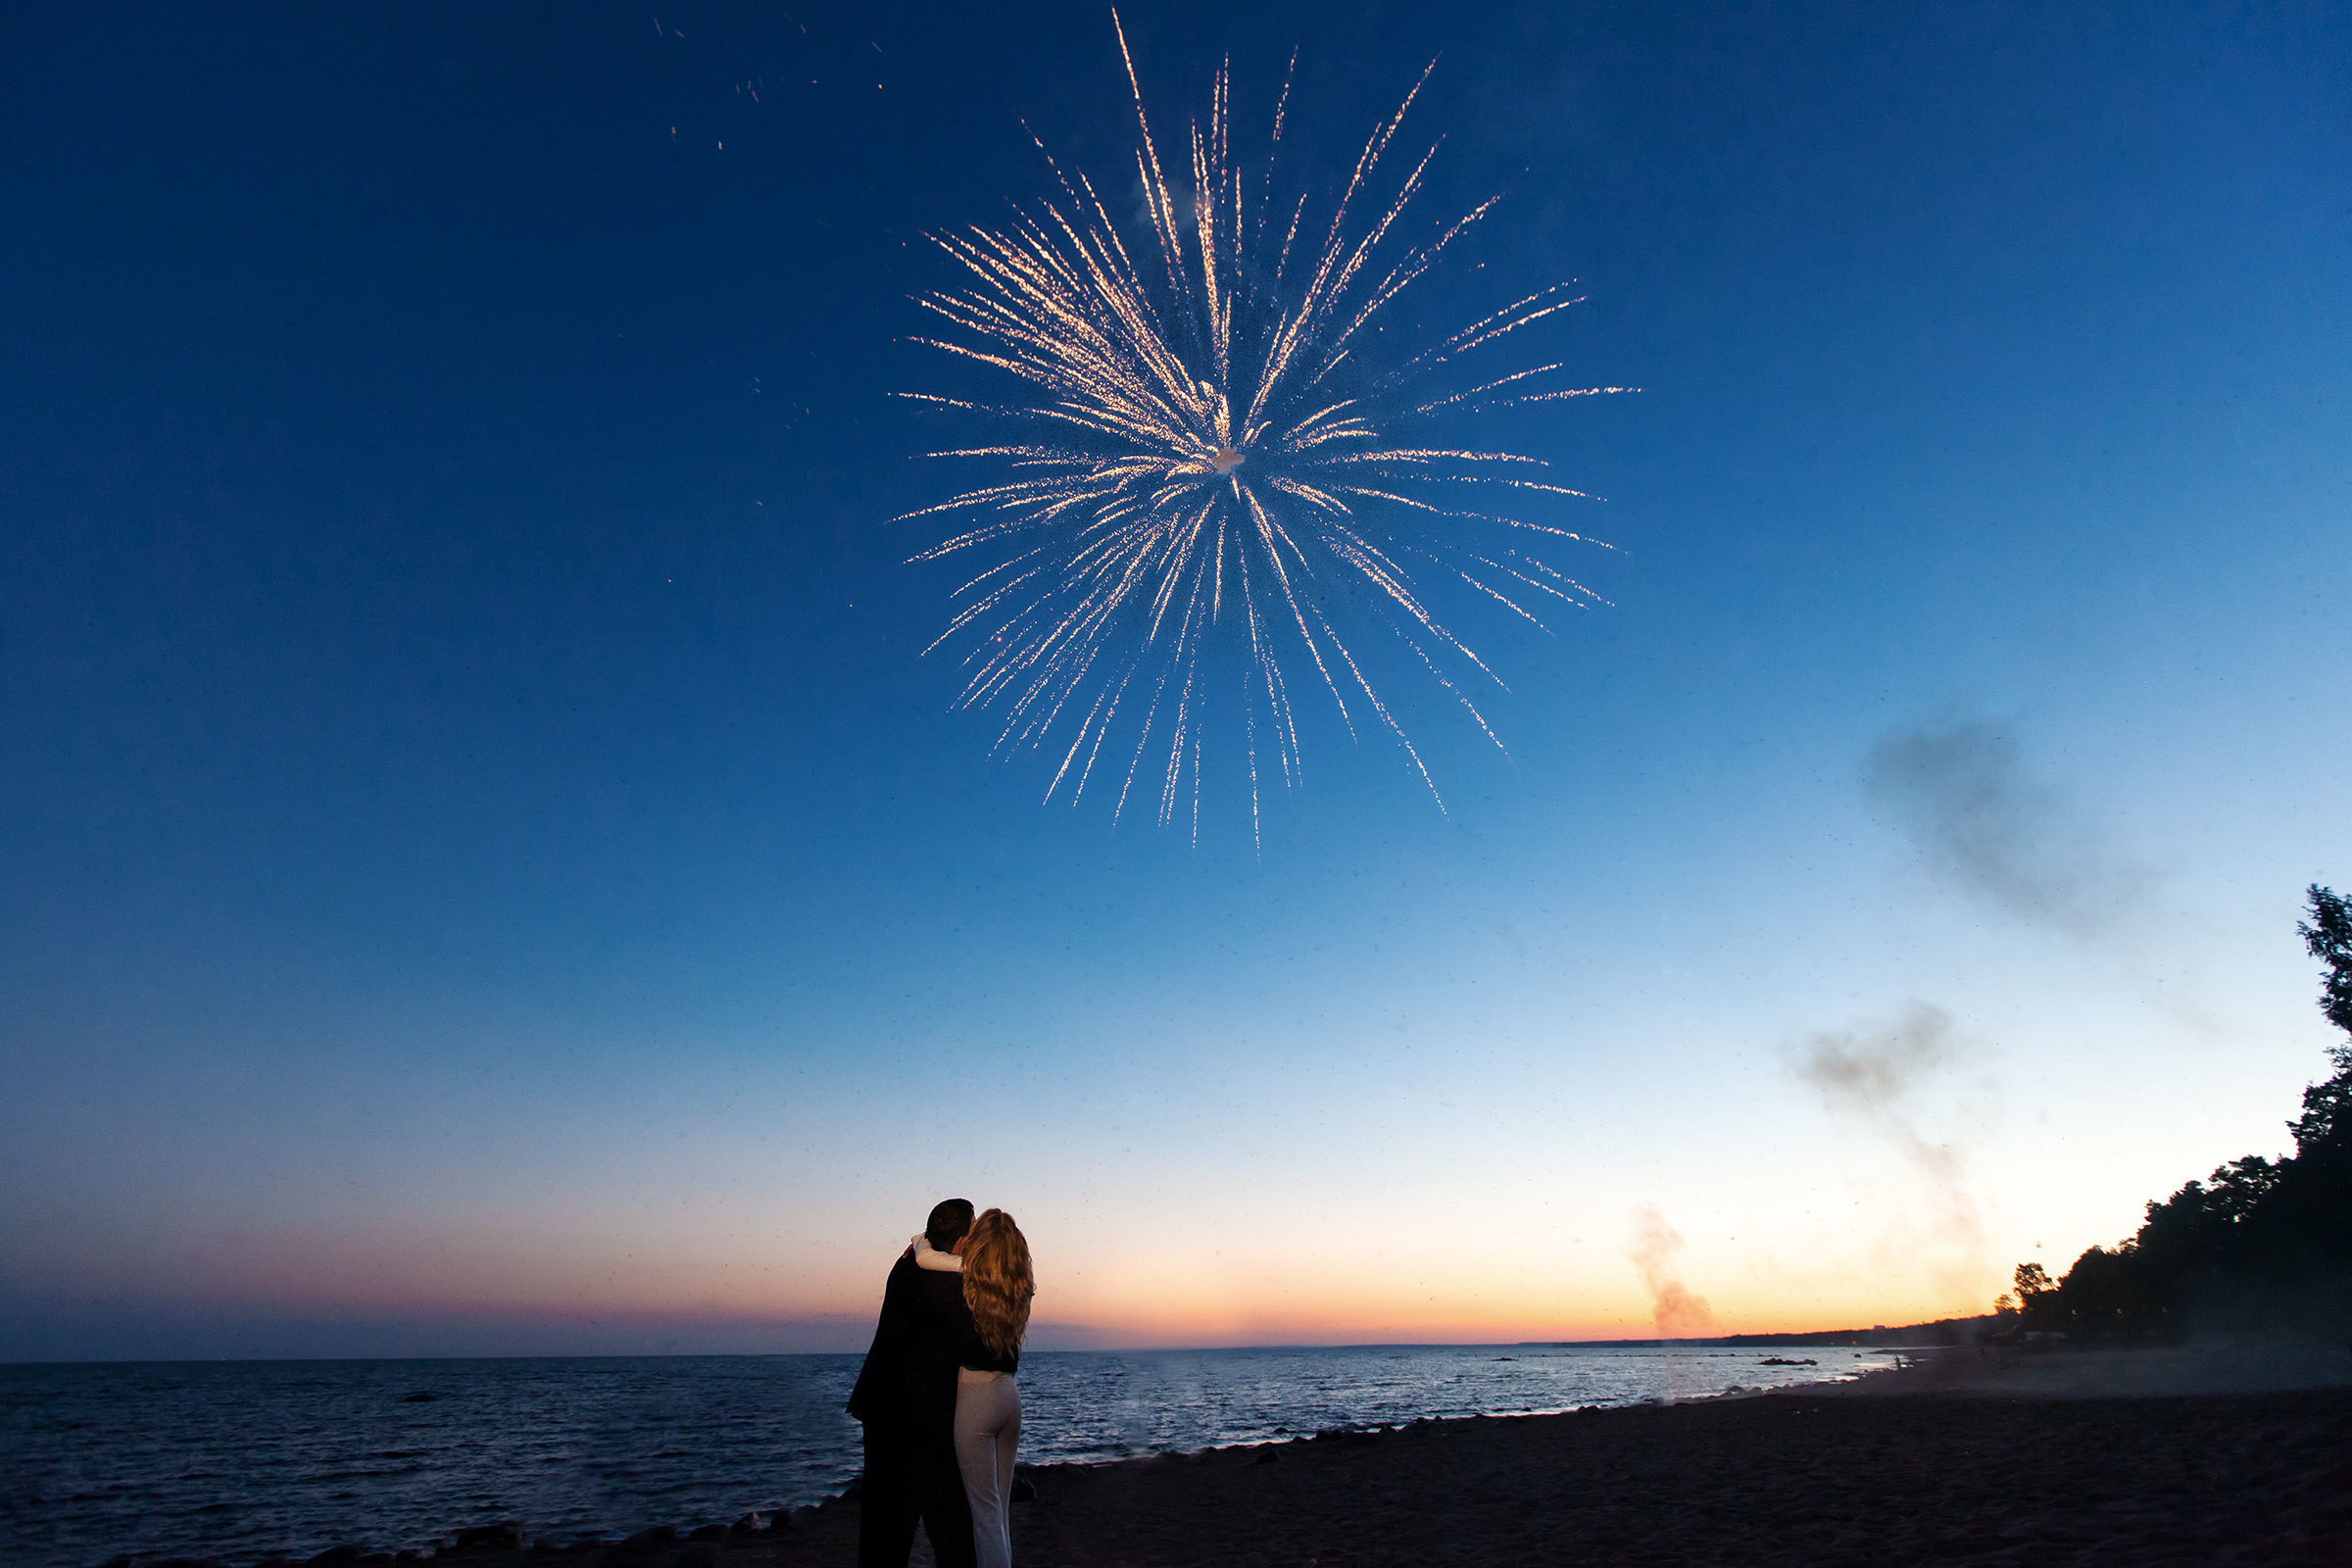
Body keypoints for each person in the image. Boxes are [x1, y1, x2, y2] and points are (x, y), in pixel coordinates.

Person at [846, 1199, 980, 1568]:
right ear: (961, 1241)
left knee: (884, 1527)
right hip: (924, 1418)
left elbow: (926, 1248)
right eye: (973, 1231)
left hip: (882, 1408)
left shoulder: (904, 1265)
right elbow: (974, 1347)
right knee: (951, 1527)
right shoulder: (950, 1285)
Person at [909, 1207, 1034, 1568]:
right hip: (1010, 1396)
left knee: (984, 1517)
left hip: (978, 1397)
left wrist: (919, 1238)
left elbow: (926, 1257)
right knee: (1000, 1514)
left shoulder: (970, 1276)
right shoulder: (1019, 1282)